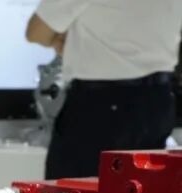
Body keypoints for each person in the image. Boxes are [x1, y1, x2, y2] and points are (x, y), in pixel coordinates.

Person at [26, 0, 182, 178]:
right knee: (142, 188)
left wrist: (65, 42)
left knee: (73, 191)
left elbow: (36, 32)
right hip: (157, 100)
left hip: (100, 105)